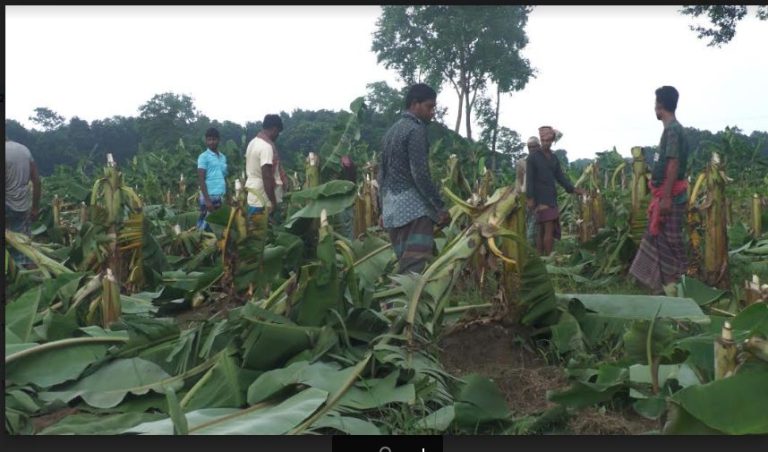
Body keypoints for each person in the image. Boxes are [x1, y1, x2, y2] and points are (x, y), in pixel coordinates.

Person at [378, 83, 450, 274]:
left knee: (404, 267)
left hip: (392, 212)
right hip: (414, 211)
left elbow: (381, 174)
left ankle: (400, 302)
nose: (432, 112)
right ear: (415, 104)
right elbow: (420, 174)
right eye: (429, 106)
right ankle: (407, 304)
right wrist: (439, 206)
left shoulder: (390, 133)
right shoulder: (415, 130)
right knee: (413, 270)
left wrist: (382, 210)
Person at [629, 86, 690, 295]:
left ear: (660, 105)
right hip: (666, 194)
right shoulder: (670, 129)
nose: (654, 107)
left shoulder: (673, 129)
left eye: (655, 102)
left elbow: (673, 163)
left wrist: (665, 198)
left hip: (670, 195)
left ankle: (681, 282)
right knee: (660, 239)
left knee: (671, 240)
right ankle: (662, 285)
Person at [525, 126, 585, 256]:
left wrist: (573, 189)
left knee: (543, 229)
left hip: (551, 196)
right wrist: (530, 198)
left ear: (552, 141)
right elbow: (529, 179)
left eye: (549, 141)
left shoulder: (553, 158)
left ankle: (541, 258)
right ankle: (548, 257)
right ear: (541, 141)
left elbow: (560, 177)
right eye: (544, 141)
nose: (546, 143)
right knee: (547, 229)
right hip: (539, 198)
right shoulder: (532, 158)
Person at [5, 139, 41, 267]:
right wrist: (35, 208)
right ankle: (25, 276)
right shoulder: (24, 150)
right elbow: (36, 181)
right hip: (21, 206)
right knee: (23, 247)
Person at [245, 114, 286, 224]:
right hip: (263, 198)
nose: (277, 135)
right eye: (278, 132)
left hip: (253, 195)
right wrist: (273, 202)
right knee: (264, 235)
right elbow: (267, 177)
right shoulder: (266, 147)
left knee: (253, 233)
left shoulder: (252, 143)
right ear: (274, 129)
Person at [197, 127, 227, 231]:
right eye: (209, 139)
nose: (211, 142)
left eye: (214, 139)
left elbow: (225, 177)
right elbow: (201, 179)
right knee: (205, 228)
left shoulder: (223, 157)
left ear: (218, 140)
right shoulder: (203, 157)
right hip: (209, 196)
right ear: (206, 141)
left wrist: (230, 196)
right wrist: (207, 200)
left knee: (219, 228)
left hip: (221, 197)